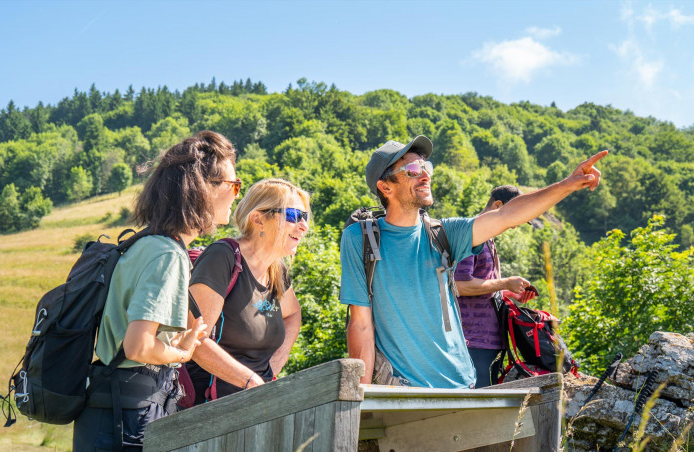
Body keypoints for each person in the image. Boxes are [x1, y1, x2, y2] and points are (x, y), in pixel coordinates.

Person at [71, 130, 238, 452]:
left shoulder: (146, 244)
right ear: (203, 188)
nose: (236, 193)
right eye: (233, 184)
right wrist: (180, 353)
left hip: (121, 410)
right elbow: (138, 344)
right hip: (126, 417)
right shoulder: (167, 254)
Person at [340, 135, 606, 388]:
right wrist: (360, 397)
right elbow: (361, 323)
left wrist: (568, 184)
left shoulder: (443, 234)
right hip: (405, 390)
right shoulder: (361, 240)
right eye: (411, 169)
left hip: (463, 385)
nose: (425, 175)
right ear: (385, 186)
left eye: (426, 167)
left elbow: (505, 216)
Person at [185, 178, 309, 402]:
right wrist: (251, 381)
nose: (303, 226)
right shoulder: (222, 257)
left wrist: (273, 367)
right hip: (207, 410)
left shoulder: (276, 270)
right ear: (258, 219)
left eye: (304, 217)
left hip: (255, 405)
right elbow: (194, 339)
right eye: (293, 215)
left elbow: (293, 315)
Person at [454, 185, 538, 388]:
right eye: (515, 216)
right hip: (473, 342)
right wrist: (505, 282)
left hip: (488, 342)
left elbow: (481, 285)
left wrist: (509, 292)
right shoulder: (473, 235)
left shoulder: (487, 239)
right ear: (498, 205)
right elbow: (460, 285)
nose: (515, 225)